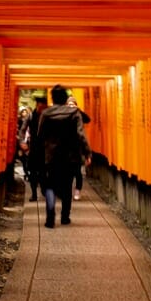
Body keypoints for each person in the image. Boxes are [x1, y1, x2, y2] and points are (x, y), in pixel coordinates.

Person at [35, 85, 91, 228]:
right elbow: (81, 134)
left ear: (53, 98)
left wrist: (39, 154)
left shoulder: (46, 114)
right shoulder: (74, 113)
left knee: (50, 186)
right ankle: (65, 216)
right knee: (67, 186)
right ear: (66, 98)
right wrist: (87, 153)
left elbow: (40, 136)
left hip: (52, 157)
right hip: (70, 157)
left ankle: (50, 217)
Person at [20, 96, 48, 201]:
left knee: (44, 172)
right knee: (32, 172)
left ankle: (44, 189)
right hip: (33, 147)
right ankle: (34, 194)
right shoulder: (31, 116)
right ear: (37, 106)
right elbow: (22, 130)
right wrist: (22, 142)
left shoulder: (48, 116)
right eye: (41, 107)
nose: (42, 109)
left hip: (46, 149)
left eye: (44, 107)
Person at [66, 96, 91, 201]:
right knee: (67, 172)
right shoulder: (64, 116)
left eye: (73, 104)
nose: (71, 106)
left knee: (77, 171)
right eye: (69, 104)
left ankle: (77, 190)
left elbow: (88, 119)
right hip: (65, 149)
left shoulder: (79, 115)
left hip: (77, 148)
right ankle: (67, 191)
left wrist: (78, 110)